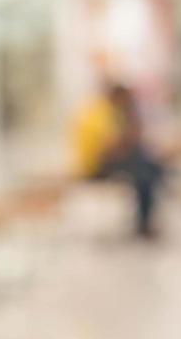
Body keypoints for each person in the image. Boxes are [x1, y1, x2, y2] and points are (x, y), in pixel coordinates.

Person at [70, 83, 164, 240]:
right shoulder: (100, 113)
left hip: (104, 161)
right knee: (144, 172)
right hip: (94, 165)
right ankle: (144, 223)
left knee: (146, 165)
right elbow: (109, 150)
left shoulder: (106, 111)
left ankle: (145, 219)